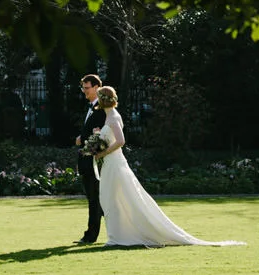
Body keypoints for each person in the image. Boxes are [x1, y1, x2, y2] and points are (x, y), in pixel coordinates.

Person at [92, 85, 244, 248]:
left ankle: (118, 237)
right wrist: (97, 137)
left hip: (114, 162)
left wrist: (102, 153)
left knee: (115, 197)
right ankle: (118, 235)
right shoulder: (110, 116)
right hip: (111, 163)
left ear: (102, 100)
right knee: (111, 198)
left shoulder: (113, 117)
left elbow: (121, 141)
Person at [73, 74, 107, 244]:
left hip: (94, 161)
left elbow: (101, 135)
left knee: (95, 199)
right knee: (95, 199)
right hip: (88, 159)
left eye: (87, 88)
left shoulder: (101, 109)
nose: (84, 91)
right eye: (83, 88)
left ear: (96, 88)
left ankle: (91, 235)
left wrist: (85, 142)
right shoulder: (92, 108)